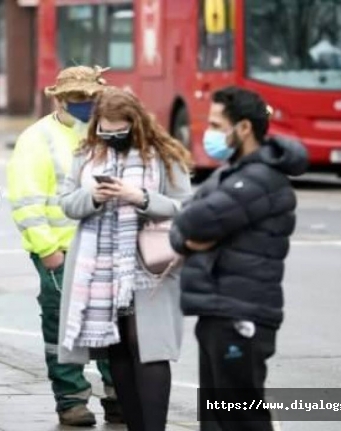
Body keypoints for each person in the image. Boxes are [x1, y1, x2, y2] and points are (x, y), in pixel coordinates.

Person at [170, 86, 308, 430]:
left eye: (218, 124)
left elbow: (192, 219)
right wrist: (189, 241)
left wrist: (188, 233)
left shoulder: (261, 179)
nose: (210, 133)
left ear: (243, 128)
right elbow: (182, 225)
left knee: (241, 417)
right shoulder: (231, 172)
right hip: (217, 308)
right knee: (217, 418)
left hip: (241, 313)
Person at [58, 87, 193, 431]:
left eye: (120, 131)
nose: (112, 136)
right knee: (116, 346)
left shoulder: (164, 155)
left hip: (150, 265)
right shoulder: (86, 154)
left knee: (148, 346)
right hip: (100, 268)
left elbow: (185, 207)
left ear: (136, 124)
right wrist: (94, 197)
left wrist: (142, 197)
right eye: (106, 130)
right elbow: (66, 202)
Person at [7, 66, 122, 427]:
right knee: (62, 328)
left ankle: (118, 395)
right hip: (63, 252)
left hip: (106, 248)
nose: (87, 104)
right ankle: (71, 399)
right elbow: (27, 201)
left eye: (91, 97)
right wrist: (48, 251)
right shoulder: (37, 138)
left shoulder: (110, 132)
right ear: (59, 99)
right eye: (78, 99)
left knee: (112, 325)